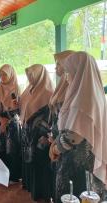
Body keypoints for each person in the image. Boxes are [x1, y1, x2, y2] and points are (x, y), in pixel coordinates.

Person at [49, 52, 107, 202]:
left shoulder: (83, 99)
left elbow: (74, 136)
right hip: (88, 161)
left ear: (79, 72)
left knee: (74, 196)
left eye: (68, 72)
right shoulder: (94, 94)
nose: (66, 77)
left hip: (78, 165)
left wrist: (55, 149)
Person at [20, 64, 54, 201]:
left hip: (40, 135)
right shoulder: (29, 90)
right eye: (28, 75)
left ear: (40, 75)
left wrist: (42, 133)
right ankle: (30, 187)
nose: (29, 78)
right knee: (29, 160)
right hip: (27, 132)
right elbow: (23, 107)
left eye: (32, 75)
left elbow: (50, 118)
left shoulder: (48, 92)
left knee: (40, 162)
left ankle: (41, 192)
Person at [48, 50, 75, 200]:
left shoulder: (76, 91)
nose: (55, 67)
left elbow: (74, 128)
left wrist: (57, 145)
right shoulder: (63, 85)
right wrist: (53, 137)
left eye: (58, 63)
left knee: (70, 188)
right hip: (58, 140)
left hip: (70, 148)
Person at [0, 64, 22, 181]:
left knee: (12, 150)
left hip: (12, 124)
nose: (2, 77)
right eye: (0, 74)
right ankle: (1, 175)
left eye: (5, 74)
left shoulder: (16, 89)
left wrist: (6, 121)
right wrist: (0, 119)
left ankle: (13, 176)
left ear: (10, 74)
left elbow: (18, 109)